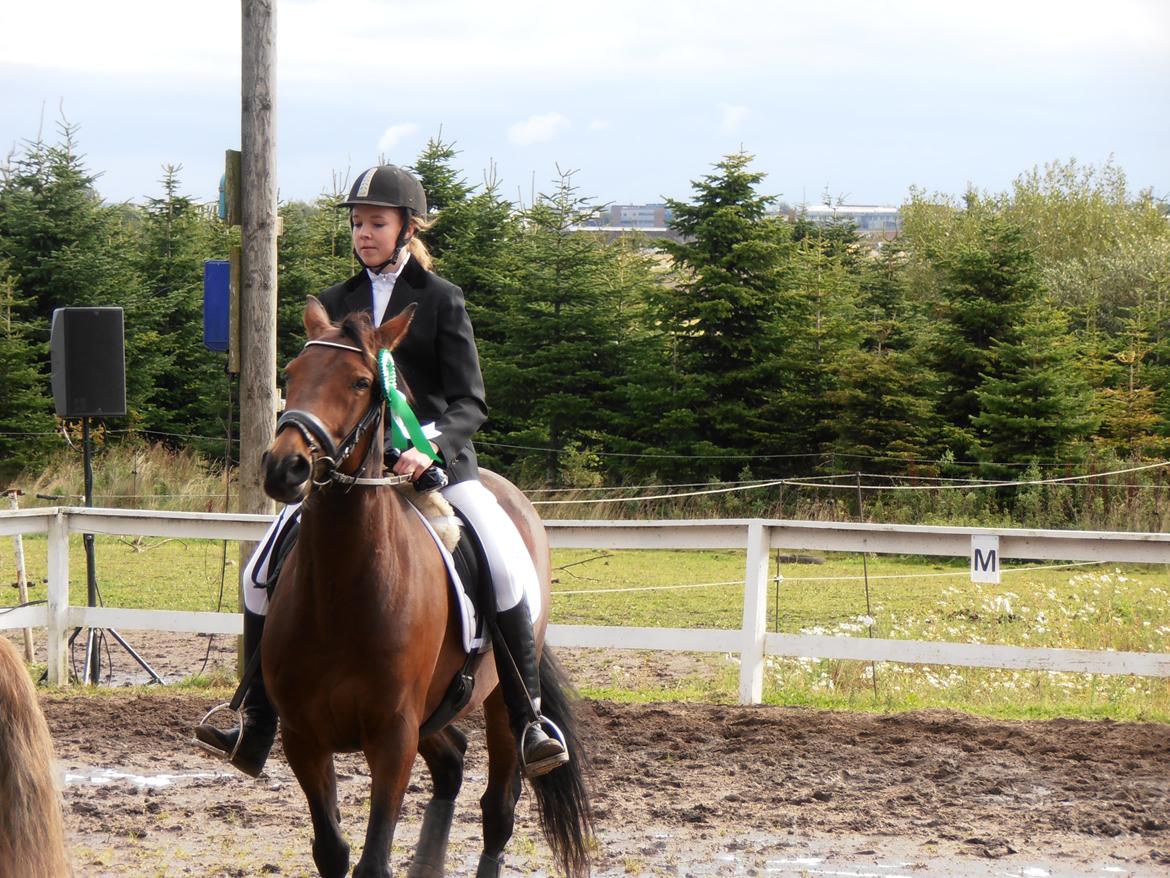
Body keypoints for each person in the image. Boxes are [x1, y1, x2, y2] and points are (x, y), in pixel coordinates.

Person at [195, 163, 569, 779]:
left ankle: (529, 719)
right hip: (347, 474)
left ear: (406, 227)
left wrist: (431, 446)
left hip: (434, 469)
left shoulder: (441, 299)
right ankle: (255, 715)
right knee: (260, 572)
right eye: (358, 223)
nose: (364, 233)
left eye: (377, 222)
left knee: (504, 565)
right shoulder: (336, 304)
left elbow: (470, 400)